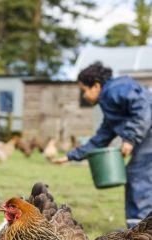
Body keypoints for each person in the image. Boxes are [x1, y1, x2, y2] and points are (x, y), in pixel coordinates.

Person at [54, 61, 152, 229]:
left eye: (84, 90)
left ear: (96, 86)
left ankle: (142, 233)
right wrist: (72, 155)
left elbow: (142, 105)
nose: (84, 96)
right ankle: (140, 229)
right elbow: (101, 138)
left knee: (138, 176)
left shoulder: (116, 89)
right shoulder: (109, 105)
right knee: (137, 176)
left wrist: (130, 137)